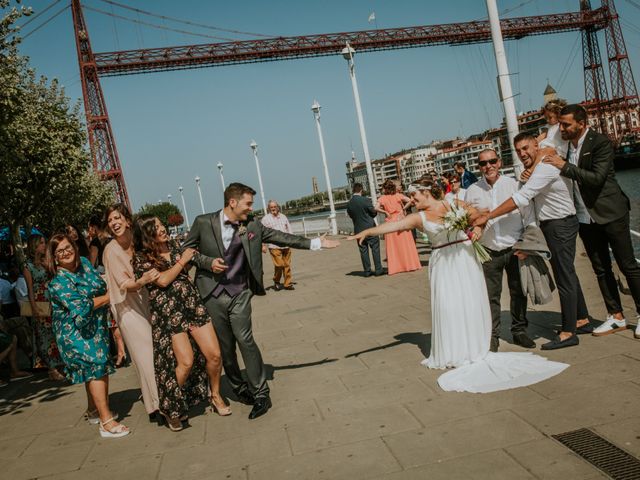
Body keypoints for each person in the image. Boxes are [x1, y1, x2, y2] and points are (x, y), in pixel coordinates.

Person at [349, 178, 568, 393]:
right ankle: (454, 350)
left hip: (465, 259)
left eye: (414, 195)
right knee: (448, 306)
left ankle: (475, 347)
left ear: (426, 192)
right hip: (443, 264)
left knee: (470, 302)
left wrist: (478, 229)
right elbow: (394, 225)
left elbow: (480, 216)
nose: (412, 200)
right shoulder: (418, 217)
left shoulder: (455, 205)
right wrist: (368, 232)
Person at [183, 182, 339, 419]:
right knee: (226, 348)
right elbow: (187, 250)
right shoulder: (203, 222)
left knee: (245, 339)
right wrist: (207, 262)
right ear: (232, 202)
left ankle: (261, 392)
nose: (250, 208)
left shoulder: (253, 225)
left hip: (240, 292)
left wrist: (316, 243)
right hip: (211, 293)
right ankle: (238, 387)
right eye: (248, 203)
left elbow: (283, 237)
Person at [473, 132, 592, 350]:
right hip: (512, 241)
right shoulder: (477, 188)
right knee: (567, 275)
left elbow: (523, 200)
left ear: (499, 162)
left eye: (526, 148)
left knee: (562, 278)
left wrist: (489, 216)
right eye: (518, 151)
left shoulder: (542, 168)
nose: (522, 153)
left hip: (558, 224)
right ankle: (581, 319)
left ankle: (568, 332)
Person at [543, 104, 640, 338]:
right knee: (601, 268)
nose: (561, 128)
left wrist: (563, 166)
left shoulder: (600, 143)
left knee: (628, 265)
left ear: (581, 124)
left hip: (610, 212)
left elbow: (596, 179)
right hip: (585, 217)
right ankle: (615, 316)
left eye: (566, 124)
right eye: (560, 124)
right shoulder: (564, 145)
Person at [133, 215, 230, 431]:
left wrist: (212, 262)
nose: (162, 229)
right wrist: (182, 261)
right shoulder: (141, 258)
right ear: (147, 234)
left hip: (192, 305)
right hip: (169, 314)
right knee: (185, 362)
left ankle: (214, 394)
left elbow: (197, 257)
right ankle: (170, 406)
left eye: (161, 224)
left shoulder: (177, 245)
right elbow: (163, 280)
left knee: (214, 355)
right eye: (155, 227)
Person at [46, 234, 129, 438]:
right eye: (60, 252)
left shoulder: (84, 263)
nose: (65, 253)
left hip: (96, 327)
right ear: (55, 258)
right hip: (75, 334)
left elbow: (99, 284)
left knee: (93, 368)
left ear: (74, 248)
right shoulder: (58, 283)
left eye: (68, 248)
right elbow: (82, 308)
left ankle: (94, 411)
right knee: (96, 367)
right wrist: (111, 296)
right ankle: (106, 421)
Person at [464, 149, 534, 352]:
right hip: (488, 250)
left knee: (519, 291)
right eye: (483, 163)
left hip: (514, 246)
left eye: (492, 161)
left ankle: (519, 331)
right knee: (490, 296)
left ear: (499, 162)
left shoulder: (514, 185)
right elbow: (467, 221)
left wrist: (526, 243)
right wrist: (473, 226)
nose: (488, 166)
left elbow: (528, 214)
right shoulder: (472, 190)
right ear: (478, 167)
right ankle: (492, 336)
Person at [103, 203, 160, 419]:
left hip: (147, 300)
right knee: (145, 355)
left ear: (127, 220)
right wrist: (142, 280)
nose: (114, 223)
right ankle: (157, 404)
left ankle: (154, 402)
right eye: (110, 221)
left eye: (117, 218)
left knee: (154, 352)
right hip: (127, 308)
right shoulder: (110, 250)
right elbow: (123, 283)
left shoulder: (138, 241)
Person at [23, 234, 65, 380]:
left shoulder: (45, 262)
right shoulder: (27, 266)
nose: (44, 245)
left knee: (55, 334)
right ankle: (52, 368)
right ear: (34, 246)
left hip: (52, 299)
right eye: (41, 243)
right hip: (39, 301)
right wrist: (34, 308)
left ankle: (59, 366)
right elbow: (29, 289)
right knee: (43, 337)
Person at [88, 215, 125, 367]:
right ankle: (122, 351)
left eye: (89, 227)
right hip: (115, 277)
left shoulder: (96, 242)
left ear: (94, 227)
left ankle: (120, 353)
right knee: (116, 317)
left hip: (103, 280)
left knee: (110, 320)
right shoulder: (113, 240)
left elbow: (91, 263)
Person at [375, 179, 421, 275]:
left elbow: (375, 207)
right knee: (405, 244)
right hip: (400, 221)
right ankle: (409, 264)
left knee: (393, 246)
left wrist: (385, 212)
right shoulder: (398, 196)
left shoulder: (382, 198)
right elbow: (411, 200)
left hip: (390, 222)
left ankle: (396, 267)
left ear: (385, 189)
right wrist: (403, 209)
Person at [346, 182, 383, 277]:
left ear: (353, 191)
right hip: (370, 228)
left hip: (358, 230)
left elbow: (351, 216)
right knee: (375, 248)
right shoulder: (365, 200)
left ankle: (367, 271)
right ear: (361, 190)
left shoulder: (349, 203)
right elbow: (373, 212)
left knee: (363, 250)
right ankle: (378, 270)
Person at [260, 200, 295, 291]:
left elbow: (289, 229)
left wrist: (293, 241)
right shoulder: (265, 219)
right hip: (274, 246)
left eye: (275, 206)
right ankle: (276, 281)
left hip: (286, 245)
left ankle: (287, 284)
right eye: (271, 207)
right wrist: (263, 245)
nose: (273, 209)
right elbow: (261, 233)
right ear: (268, 208)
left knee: (287, 265)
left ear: (278, 207)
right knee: (279, 265)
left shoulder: (283, 217)